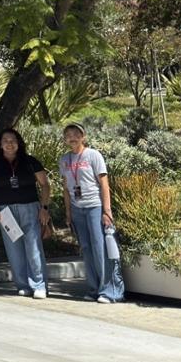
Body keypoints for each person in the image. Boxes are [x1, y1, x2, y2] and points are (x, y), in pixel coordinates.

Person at [0, 128, 51, 299]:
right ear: (0, 144)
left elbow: (45, 185)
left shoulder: (30, 161)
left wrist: (44, 208)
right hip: (5, 210)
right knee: (14, 250)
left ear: (19, 143)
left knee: (33, 247)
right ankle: (22, 285)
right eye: (5, 140)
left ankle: (39, 285)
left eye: (13, 140)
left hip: (30, 207)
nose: (9, 143)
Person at [59, 123, 121, 303]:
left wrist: (106, 211)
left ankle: (108, 290)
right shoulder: (64, 160)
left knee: (99, 247)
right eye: (68, 134)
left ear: (83, 136)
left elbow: (104, 185)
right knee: (86, 249)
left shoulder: (93, 155)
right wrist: (68, 212)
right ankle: (93, 288)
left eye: (76, 134)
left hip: (94, 206)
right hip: (77, 208)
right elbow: (65, 188)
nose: (72, 137)